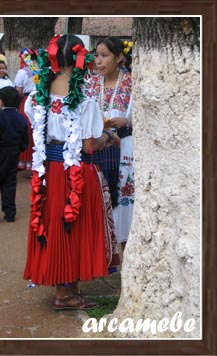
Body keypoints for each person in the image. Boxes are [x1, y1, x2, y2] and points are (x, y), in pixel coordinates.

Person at [23, 34, 120, 310]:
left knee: (55, 225)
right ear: (81, 58)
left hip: (49, 171)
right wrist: (109, 136)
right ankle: (64, 294)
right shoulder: (85, 99)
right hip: (75, 172)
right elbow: (89, 143)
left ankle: (68, 287)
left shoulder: (38, 93)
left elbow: (35, 125)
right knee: (71, 226)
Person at [90, 36, 134, 251]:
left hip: (124, 149)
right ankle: (102, 256)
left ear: (119, 58)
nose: (99, 60)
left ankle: (126, 252)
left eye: (105, 55)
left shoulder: (131, 83)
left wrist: (127, 120)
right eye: (96, 55)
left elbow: (146, 115)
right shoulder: (90, 84)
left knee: (124, 202)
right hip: (98, 150)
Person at [0, 86, 29, 222]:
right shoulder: (22, 119)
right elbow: (25, 142)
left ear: (0, 102)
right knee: (10, 182)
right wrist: (18, 148)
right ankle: (10, 213)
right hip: (14, 153)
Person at [14, 48, 39, 171]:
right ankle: (34, 162)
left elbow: (18, 91)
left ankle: (23, 161)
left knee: (25, 129)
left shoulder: (22, 72)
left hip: (26, 102)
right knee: (36, 130)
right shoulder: (42, 71)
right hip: (39, 102)